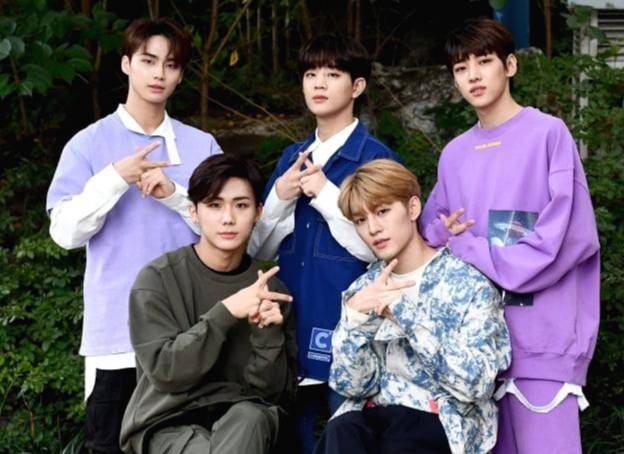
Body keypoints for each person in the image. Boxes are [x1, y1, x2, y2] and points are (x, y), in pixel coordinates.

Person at [420, 18, 600, 454]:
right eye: (461, 68)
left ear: (511, 65)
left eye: (484, 61)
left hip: (543, 341)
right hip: (475, 351)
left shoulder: (548, 134)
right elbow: (430, 234)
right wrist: (445, 235)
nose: (473, 75)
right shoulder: (454, 154)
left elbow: (570, 237)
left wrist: (467, 246)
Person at [46, 18, 221, 454]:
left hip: (189, 333)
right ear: (126, 64)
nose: (159, 73)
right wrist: (114, 178)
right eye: (148, 61)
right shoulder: (88, 144)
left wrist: (175, 195)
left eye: (171, 65)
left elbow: (230, 233)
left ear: (180, 75)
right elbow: (64, 233)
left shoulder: (202, 146)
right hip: (114, 336)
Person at [248, 34, 400, 454]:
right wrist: (279, 198)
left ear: (357, 86)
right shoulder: (292, 157)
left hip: (349, 330)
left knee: (347, 440)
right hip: (289, 327)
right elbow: (260, 248)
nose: (318, 83)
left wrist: (328, 195)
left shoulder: (375, 159)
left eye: (332, 74)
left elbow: (382, 250)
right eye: (310, 74)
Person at [312, 159, 510, 454]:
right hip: (378, 418)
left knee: (399, 443)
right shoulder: (364, 288)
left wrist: (405, 315)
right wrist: (353, 323)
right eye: (361, 220)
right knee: (341, 429)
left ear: (413, 208)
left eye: (382, 211)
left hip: (442, 421)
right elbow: (353, 387)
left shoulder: (468, 284)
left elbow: (476, 383)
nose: (373, 229)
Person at [119, 154, 298, 454]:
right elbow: (167, 372)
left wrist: (267, 335)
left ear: (258, 212)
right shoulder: (157, 279)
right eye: (214, 205)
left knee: (251, 417)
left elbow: (272, 399)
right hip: (168, 422)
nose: (228, 218)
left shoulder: (272, 293)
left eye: (241, 205)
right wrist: (226, 313)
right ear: (193, 212)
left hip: (244, 423)